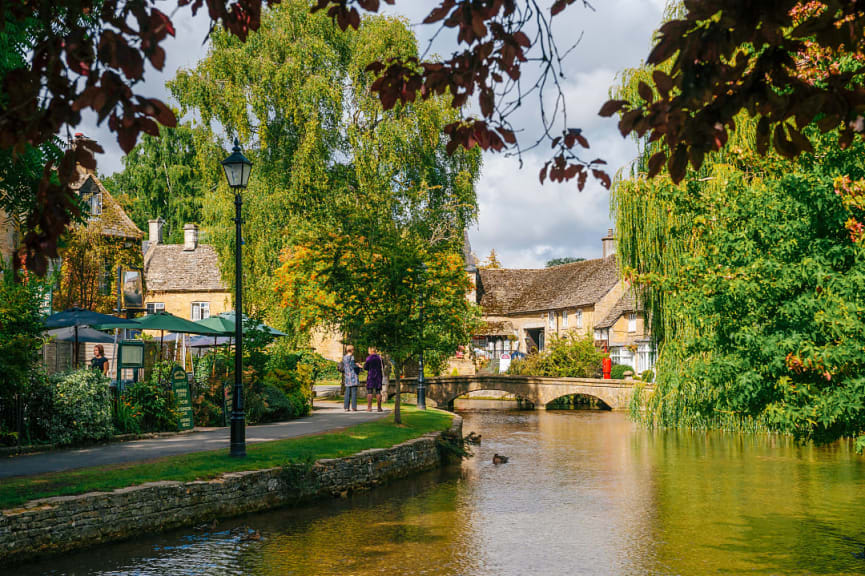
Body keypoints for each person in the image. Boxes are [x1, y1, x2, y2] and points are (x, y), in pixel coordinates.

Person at [363, 347, 385, 412]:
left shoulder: (369, 358)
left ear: (370, 351)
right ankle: (379, 408)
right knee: (378, 391)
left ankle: (369, 407)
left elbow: (366, 367)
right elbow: (382, 366)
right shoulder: (380, 358)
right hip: (378, 376)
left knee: (370, 391)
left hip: (371, 376)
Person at [341, 345, 362, 412]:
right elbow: (353, 366)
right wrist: (358, 366)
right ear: (352, 350)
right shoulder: (351, 357)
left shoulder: (344, 357)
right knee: (353, 393)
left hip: (347, 377)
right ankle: (354, 407)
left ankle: (346, 407)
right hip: (353, 377)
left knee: (347, 393)